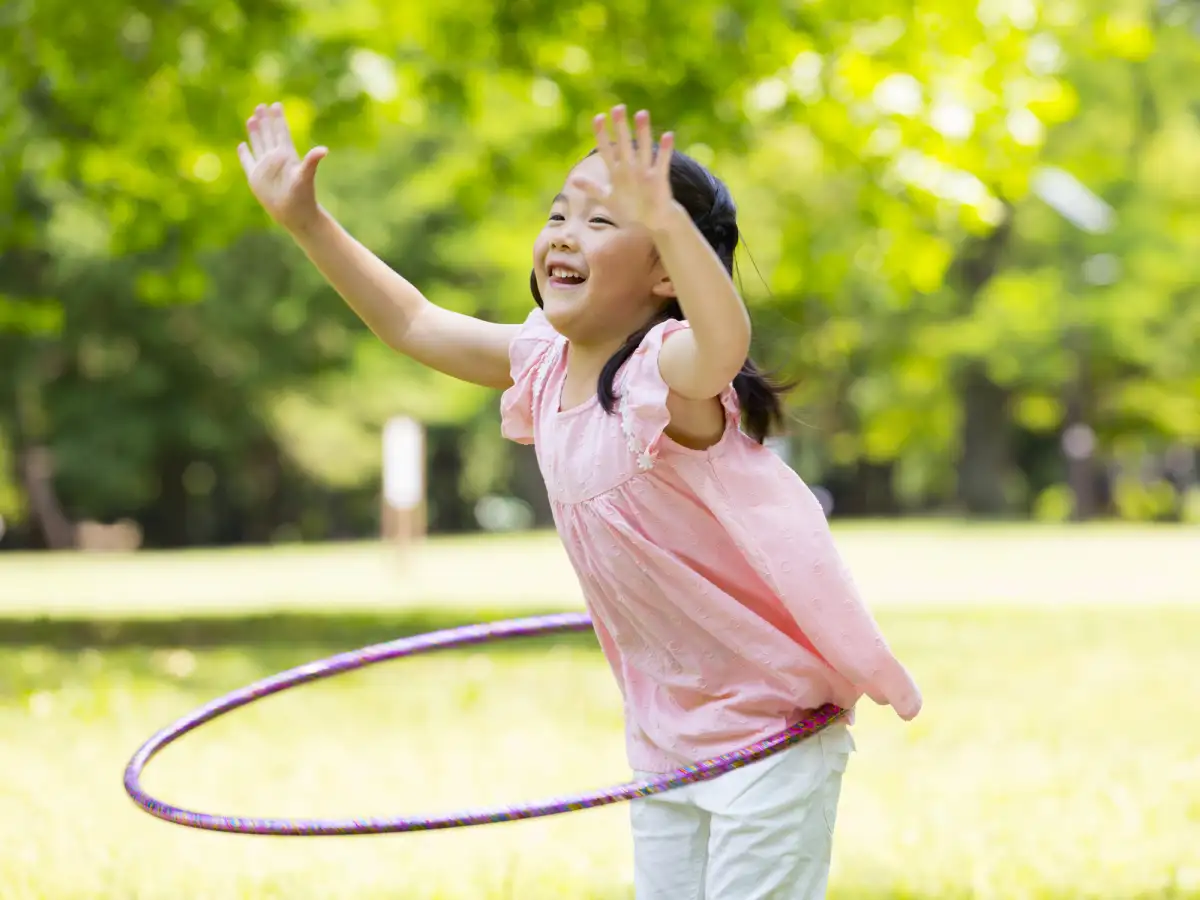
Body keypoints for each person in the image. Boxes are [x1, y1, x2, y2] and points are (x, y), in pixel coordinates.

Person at [238, 101, 922, 899]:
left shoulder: (665, 378)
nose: (564, 231)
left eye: (602, 221)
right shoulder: (539, 362)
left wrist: (668, 219)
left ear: (666, 269)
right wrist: (307, 223)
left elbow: (723, 344)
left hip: (770, 732)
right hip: (669, 735)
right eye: (559, 212)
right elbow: (414, 321)